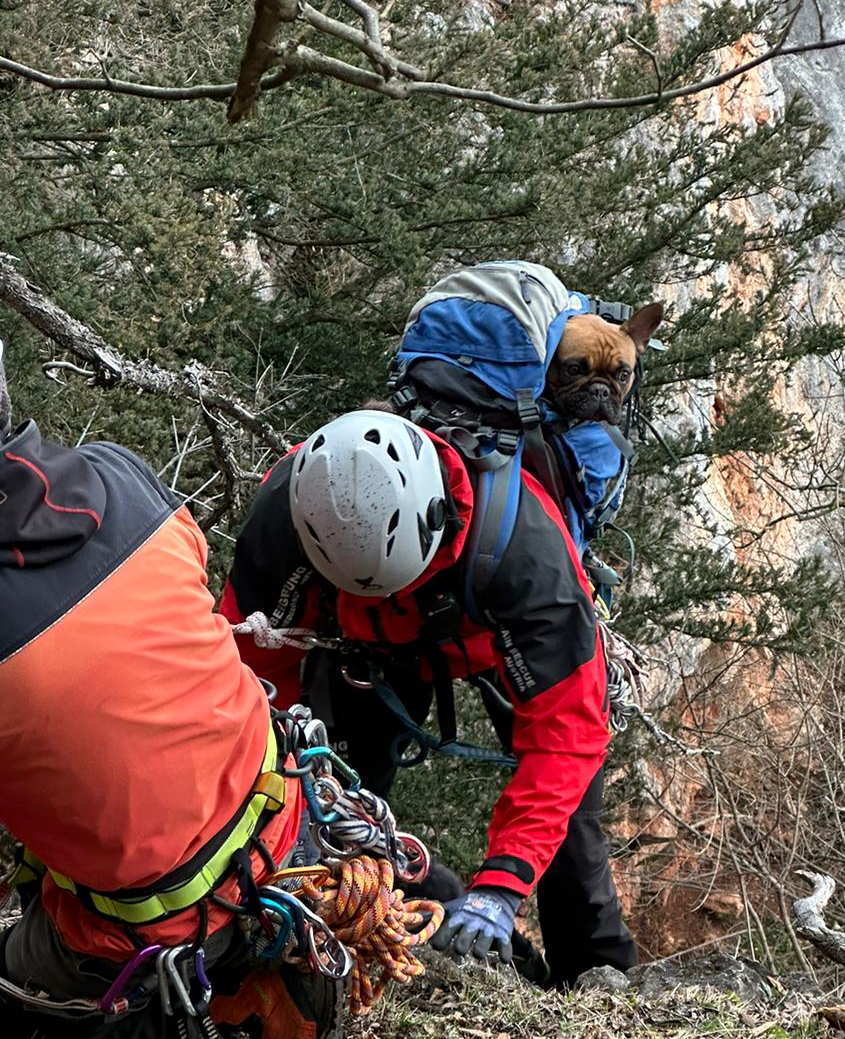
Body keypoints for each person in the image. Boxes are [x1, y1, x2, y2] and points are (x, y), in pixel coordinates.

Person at [0, 348, 346, 1039]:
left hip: (151, 921)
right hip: (290, 825)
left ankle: (215, 992)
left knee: (34, 1015)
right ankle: (256, 961)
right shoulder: (121, 481)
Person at [220, 408, 636, 988]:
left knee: (570, 830)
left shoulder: (528, 558)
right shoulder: (291, 514)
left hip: (492, 635)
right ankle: (437, 927)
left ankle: (598, 979)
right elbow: (250, 665)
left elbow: (566, 739)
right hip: (367, 650)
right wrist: (283, 788)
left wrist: (503, 883)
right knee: (348, 818)